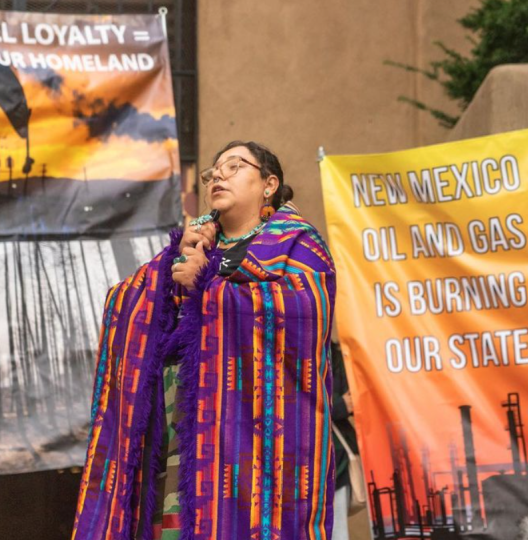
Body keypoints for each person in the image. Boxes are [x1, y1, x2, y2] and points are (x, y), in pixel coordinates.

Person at [72, 141, 337, 540]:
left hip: (251, 434)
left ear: (269, 184)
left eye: (234, 166)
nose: (219, 176)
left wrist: (209, 290)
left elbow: (305, 312)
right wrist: (167, 268)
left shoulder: (295, 243)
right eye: (213, 171)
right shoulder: (191, 248)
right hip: (180, 428)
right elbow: (122, 304)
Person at [331, 342, 359, 540]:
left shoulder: (335, 352)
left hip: (336, 459)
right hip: (291, 465)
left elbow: (354, 398)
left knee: (338, 532)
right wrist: (338, 404)